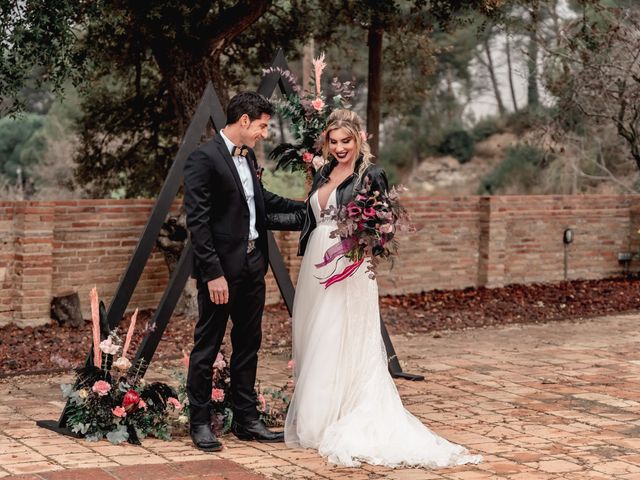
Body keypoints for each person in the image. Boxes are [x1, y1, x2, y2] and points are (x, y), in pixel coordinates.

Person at [283, 109, 483, 468]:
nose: (341, 147)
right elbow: (308, 215)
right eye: (334, 141)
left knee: (340, 332)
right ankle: (320, 414)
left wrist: (362, 245)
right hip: (316, 260)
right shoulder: (324, 172)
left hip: (349, 264)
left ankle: (346, 412)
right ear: (326, 144)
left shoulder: (370, 174)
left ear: (359, 140)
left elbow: (381, 224)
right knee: (318, 334)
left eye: (347, 141)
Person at [183, 92, 304, 452]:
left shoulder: (248, 157)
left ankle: (247, 421)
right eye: (263, 126)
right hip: (221, 272)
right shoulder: (202, 159)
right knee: (207, 346)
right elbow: (199, 224)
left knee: (249, 344)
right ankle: (201, 422)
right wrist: (213, 273)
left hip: (253, 265)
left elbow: (262, 202)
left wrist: (309, 207)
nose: (264, 134)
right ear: (245, 120)